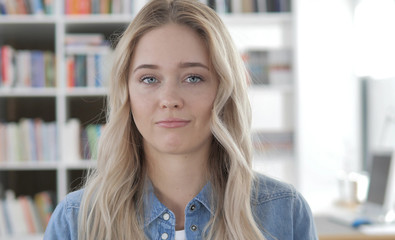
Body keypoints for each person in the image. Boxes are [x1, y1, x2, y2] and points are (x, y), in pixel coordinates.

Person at [44, 0, 318, 239]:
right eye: (149, 79)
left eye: (193, 77)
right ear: (126, 93)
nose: (170, 98)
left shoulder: (285, 211)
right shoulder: (75, 221)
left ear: (224, 90)